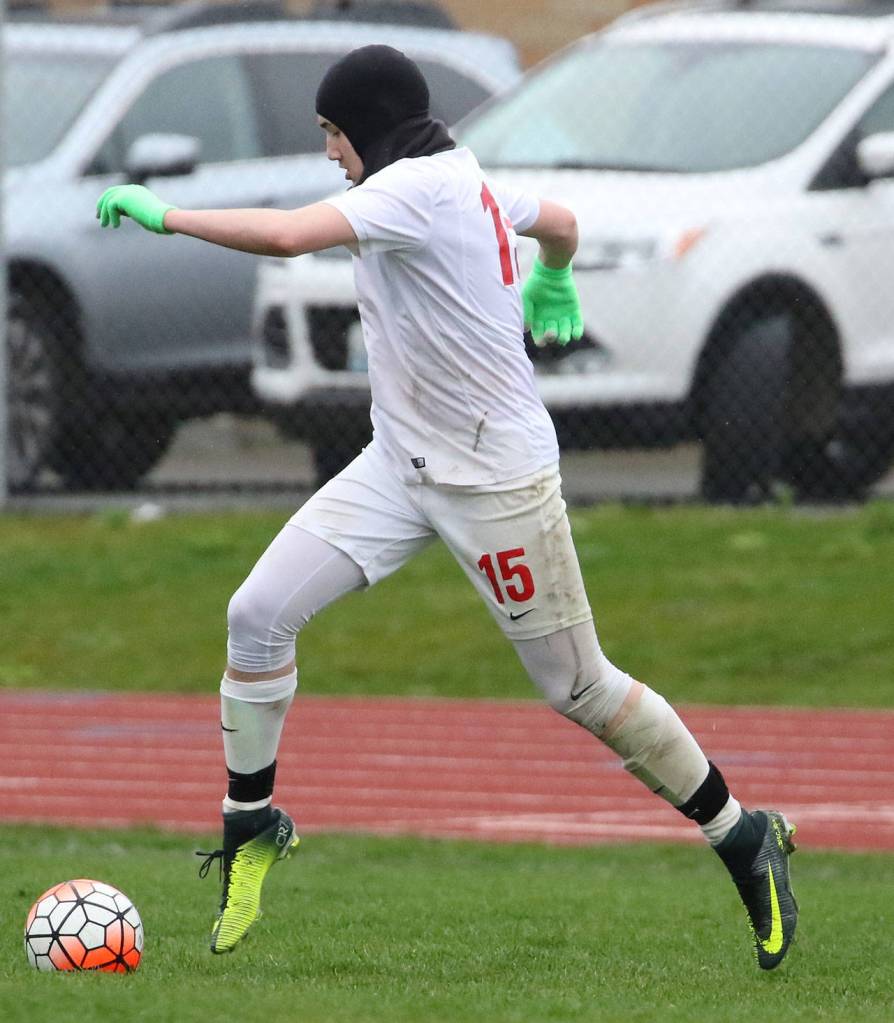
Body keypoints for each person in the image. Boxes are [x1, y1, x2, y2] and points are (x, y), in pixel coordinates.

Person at [96, 44, 798, 968]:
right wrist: (555, 269)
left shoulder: (411, 190)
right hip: (398, 466)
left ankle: (743, 836)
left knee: (579, 687)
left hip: (495, 482)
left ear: (372, 128)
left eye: (334, 134)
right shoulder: (454, 176)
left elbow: (283, 236)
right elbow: (560, 217)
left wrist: (166, 214)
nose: (331, 153)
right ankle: (252, 821)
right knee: (256, 615)